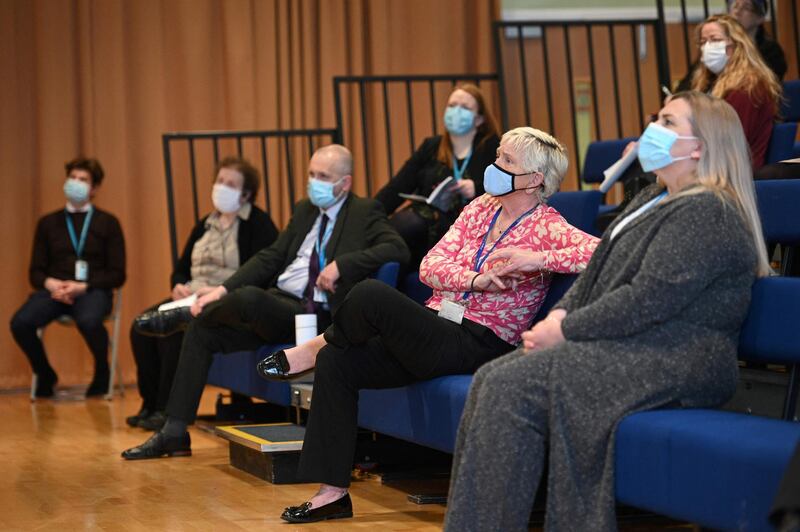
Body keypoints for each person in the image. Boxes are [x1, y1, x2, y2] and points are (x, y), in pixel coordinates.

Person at [443, 91, 770, 531]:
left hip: (678, 357)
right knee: (492, 378)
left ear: (700, 146)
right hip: (631, 346)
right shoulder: (650, 199)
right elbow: (597, 272)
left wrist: (567, 329)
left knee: (509, 384)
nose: (653, 128)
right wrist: (557, 318)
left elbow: (649, 297)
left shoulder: (712, 210)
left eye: (669, 122)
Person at [264, 127, 600, 524]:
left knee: (371, 293)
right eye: (498, 155)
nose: (495, 165)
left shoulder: (547, 226)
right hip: (437, 325)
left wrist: (536, 258)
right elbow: (429, 266)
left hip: (480, 340)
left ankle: (312, 349)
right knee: (340, 363)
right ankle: (331, 493)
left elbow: (601, 250)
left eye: (508, 161)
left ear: (535, 179)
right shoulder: (479, 208)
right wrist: (472, 280)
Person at [120, 144, 409, 459]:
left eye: (323, 176)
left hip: (314, 312)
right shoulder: (304, 210)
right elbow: (270, 258)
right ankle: (173, 433)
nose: (315, 181)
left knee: (250, 298)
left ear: (345, 183)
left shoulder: (364, 211)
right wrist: (221, 291)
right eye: (311, 174)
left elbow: (397, 249)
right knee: (203, 332)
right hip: (278, 305)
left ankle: (187, 313)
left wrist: (344, 264)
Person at [125, 157, 278, 431]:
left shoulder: (258, 223)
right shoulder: (205, 224)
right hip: (190, 295)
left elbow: (262, 270)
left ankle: (165, 410)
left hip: (224, 298)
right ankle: (149, 404)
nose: (222, 187)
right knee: (140, 328)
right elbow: (181, 268)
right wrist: (178, 284)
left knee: (175, 330)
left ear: (246, 194)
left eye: (230, 184)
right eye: (220, 181)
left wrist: (221, 291)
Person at [10, 157, 126, 398]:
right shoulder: (47, 223)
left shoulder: (108, 223)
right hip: (55, 290)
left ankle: (102, 372)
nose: (76, 183)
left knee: (89, 321)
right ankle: (45, 374)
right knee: (20, 323)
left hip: (91, 290)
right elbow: (35, 272)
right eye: (72, 178)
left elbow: (117, 273)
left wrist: (82, 287)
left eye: (82, 180)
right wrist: (53, 284)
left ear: (94, 188)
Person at [375, 83, 501, 269]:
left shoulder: (492, 146)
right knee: (397, 227)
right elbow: (398, 186)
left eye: (464, 108)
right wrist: (370, 215)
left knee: (408, 226)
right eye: (452, 106)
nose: (456, 112)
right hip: (425, 222)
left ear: (479, 119)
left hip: (470, 225)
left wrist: (476, 187)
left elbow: (508, 184)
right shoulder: (431, 146)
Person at [681, 14, 782, 171]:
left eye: (714, 40)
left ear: (736, 44)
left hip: (734, 174)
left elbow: (730, 143)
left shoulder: (749, 88)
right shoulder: (708, 83)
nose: (707, 47)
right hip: (711, 165)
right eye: (703, 42)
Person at [676, 0, 787, 92]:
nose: (737, 11)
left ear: (760, 17)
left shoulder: (771, 50)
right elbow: (690, 82)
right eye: (734, 5)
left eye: (746, 7)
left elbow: (768, 88)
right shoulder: (714, 47)